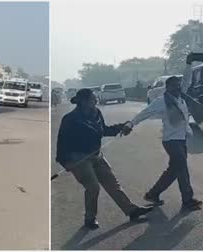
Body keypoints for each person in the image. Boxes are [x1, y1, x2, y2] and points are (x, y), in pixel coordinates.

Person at [56, 88, 153, 230]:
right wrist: (64, 162)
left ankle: (131, 210)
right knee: (93, 187)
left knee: (112, 183)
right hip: (78, 158)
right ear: (83, 102)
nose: (96, 100)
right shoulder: (70, 119)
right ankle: (90, 219)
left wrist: (121, 128)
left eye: (95, 98)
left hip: (96, 155)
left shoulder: (97, 113)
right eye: (92, 99)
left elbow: (103, 131)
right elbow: (61, 142)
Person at [121, 53, 203, 211]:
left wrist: (188, 64)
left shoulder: (180, 96)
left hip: (181, 139)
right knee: (182, 168)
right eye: (174, 86)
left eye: (179, 85)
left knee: (174, 170)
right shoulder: (162, 102)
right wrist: (131, 123)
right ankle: (187, 199)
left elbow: (187, 80)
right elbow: (145, 113)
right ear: (168, 88)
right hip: (171, 141)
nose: (178, 88)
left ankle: (153, 194)